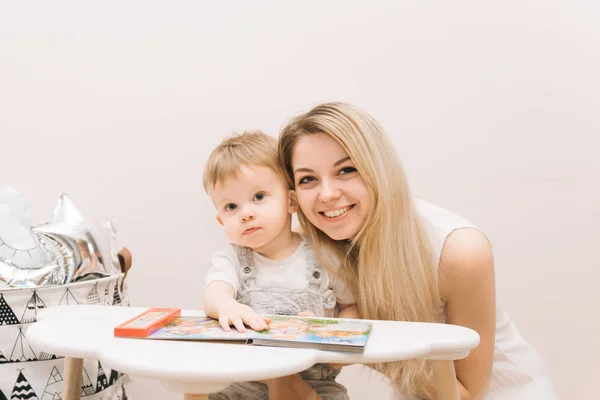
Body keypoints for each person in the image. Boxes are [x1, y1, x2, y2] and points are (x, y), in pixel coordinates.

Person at [276, 102, 557, 399]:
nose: (328, 194)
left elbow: (467, 393)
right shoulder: (304, 248)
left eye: (347, 170)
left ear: (378, 170)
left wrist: (354, 339)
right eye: (308, 179)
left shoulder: (458, 251)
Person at [202, 131, 359, 400]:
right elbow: (215, 291)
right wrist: (227, 306)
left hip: (314, 382)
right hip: (244, 382)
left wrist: (331, 334)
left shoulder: (324, 256)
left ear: (291, 201)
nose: (246, 213)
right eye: (231, 206)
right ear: (220, 221)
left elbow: (353, 306)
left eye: (259, 196)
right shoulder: (232, 259)